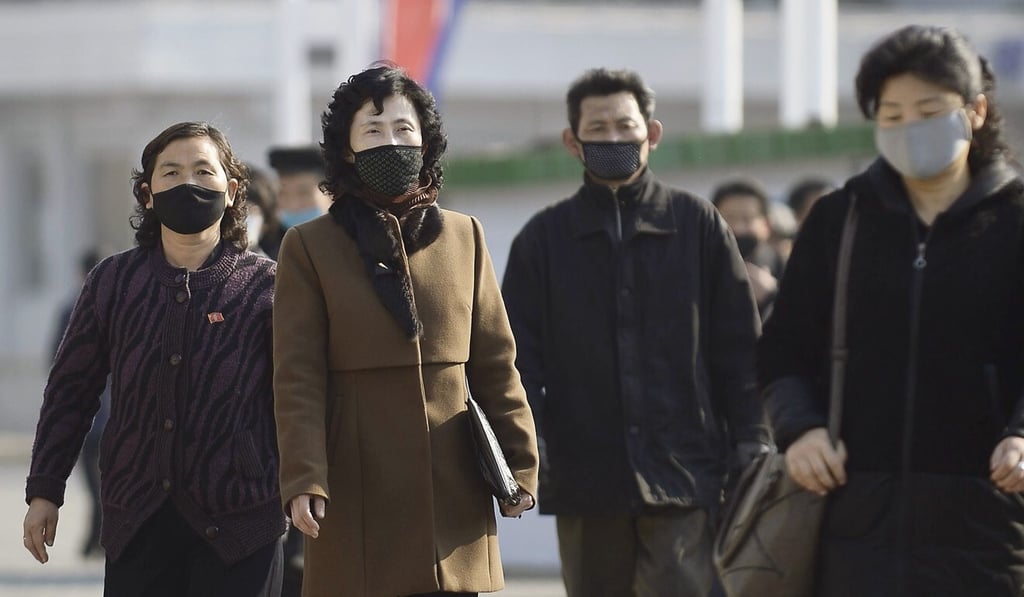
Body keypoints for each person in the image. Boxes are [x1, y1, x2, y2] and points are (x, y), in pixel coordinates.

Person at [758, 25, 1024, 596]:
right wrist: (800, 430)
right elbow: (781, 351)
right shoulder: (839, 219)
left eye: (929, 110)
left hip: (990, 527)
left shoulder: (1015, 220)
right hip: (853, 522)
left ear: (975, 111)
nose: (910, 128)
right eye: (892, 114)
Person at [501, 67, 769, 597]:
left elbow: (739, 348)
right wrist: (527, 445)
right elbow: (516, 361)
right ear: (571, 142)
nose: (613, 138)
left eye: (625, 125)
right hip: (585, 477)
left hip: (687, 474)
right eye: (596, 128)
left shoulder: (698, 225)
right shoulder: (543, 240)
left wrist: (752, 439)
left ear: (652, 132)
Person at [273, 65, 539, 597]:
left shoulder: (465, 235)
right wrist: (304, 476)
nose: (390, 143)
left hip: (454, 489)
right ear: (346, 150)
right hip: (354, 487)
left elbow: (494, 362)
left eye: (404, 129)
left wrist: (519, 466)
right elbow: (297, 377)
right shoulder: (309, 246)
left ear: (426, 142)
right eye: (372, 131)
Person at [23, 121, 286, 597]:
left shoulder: (269, 286)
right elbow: (70, 391)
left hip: (243, 524)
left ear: (231, 191)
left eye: (204, 171)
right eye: (171, 172)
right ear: (147, 194)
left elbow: (301, 395)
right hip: (137, 520)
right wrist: (45, 489)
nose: (188, 183)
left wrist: (313, 485)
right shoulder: (112, 283)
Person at [50, 249, 108, 559]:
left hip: (102, 415)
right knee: (94, 483)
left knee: (100, 482)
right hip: (96, 416)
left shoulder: (120, 303)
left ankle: (97, 538)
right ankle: (95, 537)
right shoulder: (69, 310)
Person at [711, 177, 786, 320]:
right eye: (729, 218)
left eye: (747, 219)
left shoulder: (784, 265)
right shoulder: (701, 265)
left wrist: (772, 296)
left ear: (766, 224)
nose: (738, 228)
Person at [268, 145, 332, 230]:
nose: (293, 205)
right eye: (283, 193)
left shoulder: (350, 239)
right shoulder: (265, 240)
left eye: (304, 193)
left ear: (331, 193)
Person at [245, 164, 283, 259]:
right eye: (236, 210)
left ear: (266, 224)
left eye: (251, 211)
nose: (241, 218)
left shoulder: (271, 270)